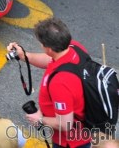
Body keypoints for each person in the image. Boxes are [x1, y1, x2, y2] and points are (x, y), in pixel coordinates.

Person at [7, 18, 91, 148]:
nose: (40, 45)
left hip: (70, 142)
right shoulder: (74, 47)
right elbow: (49, 59)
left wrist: (39, 119)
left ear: (49, 48)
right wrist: (23, 56)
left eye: (41, 43)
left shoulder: (60, 83)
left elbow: (65, 124)